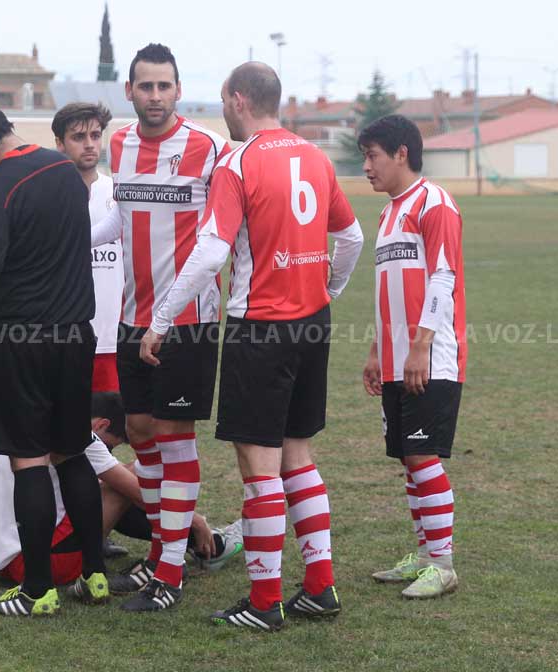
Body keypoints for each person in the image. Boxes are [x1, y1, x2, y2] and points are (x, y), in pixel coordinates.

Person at [140, 62, 364, 631]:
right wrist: (329, 289)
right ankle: (320, 587)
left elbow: (212, 251)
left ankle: (265, 602)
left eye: (223, 100)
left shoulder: (237, 162)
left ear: (239, 100)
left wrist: (162, 319)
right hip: (312, 323)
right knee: (297, 456)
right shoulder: (315, 156)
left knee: (258, 465)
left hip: (260, 328)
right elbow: (351, 236)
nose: (222, 110)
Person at [0, 99, 106, 617]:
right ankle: (95, 575)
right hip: (76, 334)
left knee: (29, 459)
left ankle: (37, 590)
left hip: (20, 339)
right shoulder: (64, 170)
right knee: (72, 452)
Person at [91, 43, 231, 612]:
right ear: (129, 91)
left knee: (174, 437)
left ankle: (169, 572)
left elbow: (223, 234)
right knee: (141, 431)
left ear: (178, 90)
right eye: (145, 86)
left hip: (188, 322)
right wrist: (66, 241)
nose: (155, 96)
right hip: (132, 317)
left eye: (164, 86)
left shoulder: (209, 148)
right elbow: (119, 218)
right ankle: (159, 555)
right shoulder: (119, 143)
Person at [0, 392, 244, 586]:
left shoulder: (28, 422)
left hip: (4, 561)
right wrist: (195, 520)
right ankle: (208, 545)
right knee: (133, 477)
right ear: (101, 424)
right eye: (111, 445)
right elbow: (138, 491)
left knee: (114, 480)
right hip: (41, 564)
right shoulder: (80, 435)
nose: (108, 451)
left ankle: (189, 544)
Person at [358, 114, 466, 599]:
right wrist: (376, 350)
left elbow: (443, 278)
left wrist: (420, 346)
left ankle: (442, 564)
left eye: (372, 156)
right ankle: (424, 556)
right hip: (396, 358)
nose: (366, 167)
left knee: (422, 455)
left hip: (430, 357)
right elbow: (389, 290)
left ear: (402, 153)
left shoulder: (433, 202)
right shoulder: (388, 214)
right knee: (408, 457)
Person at [51, 102, 123, 394]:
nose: (90, 144)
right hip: (63, 335)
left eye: (95, 135)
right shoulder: (47, 195)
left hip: (115, 335)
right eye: (79, 137)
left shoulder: (119, 193)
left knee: (112, 417)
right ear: (60, 143)